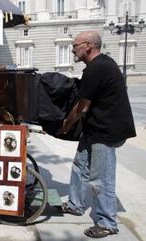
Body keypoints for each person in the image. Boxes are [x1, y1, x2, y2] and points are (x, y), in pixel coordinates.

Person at [60, 30, 136, 238]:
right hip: (95, 127)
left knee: (100, 178)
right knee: (80, 166)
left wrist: (65, 125)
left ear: (87, 46)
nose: (73, 49)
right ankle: (76, 204)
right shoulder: (99, 65)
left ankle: (107, 222)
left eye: (75, 45)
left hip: (106, 130)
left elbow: (81, 107)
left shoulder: (97, 69)